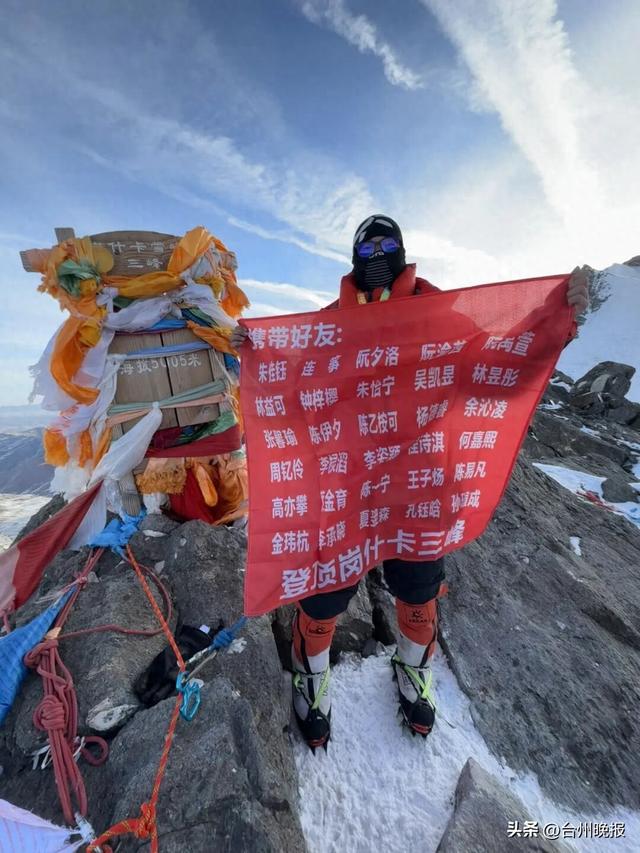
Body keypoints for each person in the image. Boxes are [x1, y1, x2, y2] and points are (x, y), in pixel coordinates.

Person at [232, 214, 589, 751]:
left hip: (419, 482)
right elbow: (293, 378)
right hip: (346, 484)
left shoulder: (441, 315)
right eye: (367, 247)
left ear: (401, 251)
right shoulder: (330, 324)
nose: (377, 254)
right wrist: (254, 348)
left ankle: (414, 668)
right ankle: (311, 675)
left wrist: (556, 319)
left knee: (419, 591)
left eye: (387, 244)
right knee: (325, 592)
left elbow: (494, 359)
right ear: (354, 258)